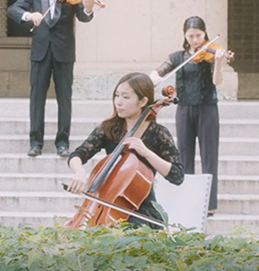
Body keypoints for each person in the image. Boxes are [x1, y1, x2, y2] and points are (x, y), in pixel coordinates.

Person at [7, 0, 96, 157]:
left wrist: (89, 8)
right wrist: (29, 16)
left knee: (64, 98)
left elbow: (83, 17)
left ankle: (62, 142)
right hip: (40, 52)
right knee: (37, 96)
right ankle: (35, 142)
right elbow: (13, 9)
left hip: (64, 52)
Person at [65, 72, 184, 228]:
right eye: (117, 96)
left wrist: (147, 153)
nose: (118, 102)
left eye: (126, 97)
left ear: (143, 101)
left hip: (141, 214)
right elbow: (77, 155)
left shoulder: (158, 133)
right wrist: (79, 172)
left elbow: (177, 176)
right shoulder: (108, 129)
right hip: (106, 206)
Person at [149, 16, 233, 216]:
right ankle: (187, 198)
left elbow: (217, 81)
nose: (196, 39)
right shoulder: (178, 57)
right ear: (185, 36)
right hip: (184, 109)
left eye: (199, 35)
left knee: (209, 156)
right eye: (191, 36)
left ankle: (209, 204)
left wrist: (219, 63)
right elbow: (160, 71)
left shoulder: (211, 55)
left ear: (205, 34)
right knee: (184, 154)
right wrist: (150, 80)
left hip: (207, 108)